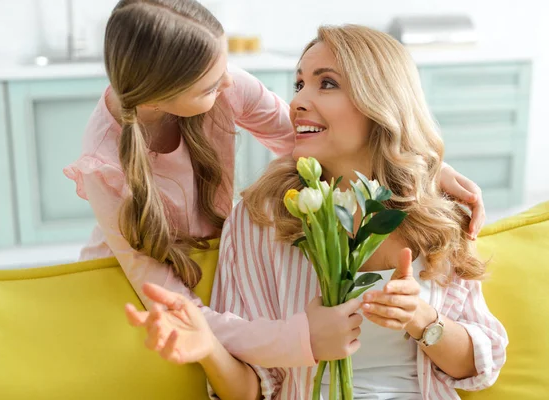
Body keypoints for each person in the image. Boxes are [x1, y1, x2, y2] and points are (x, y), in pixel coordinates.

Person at [128, 24, 508, 400]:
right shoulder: (260, 219)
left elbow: (480, 366)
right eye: (298, 85)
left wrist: (423, 320)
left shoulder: (441, 216)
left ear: (379, 100)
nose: (296, 103)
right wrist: (210, 348)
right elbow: (253, 389)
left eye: (326, 83)